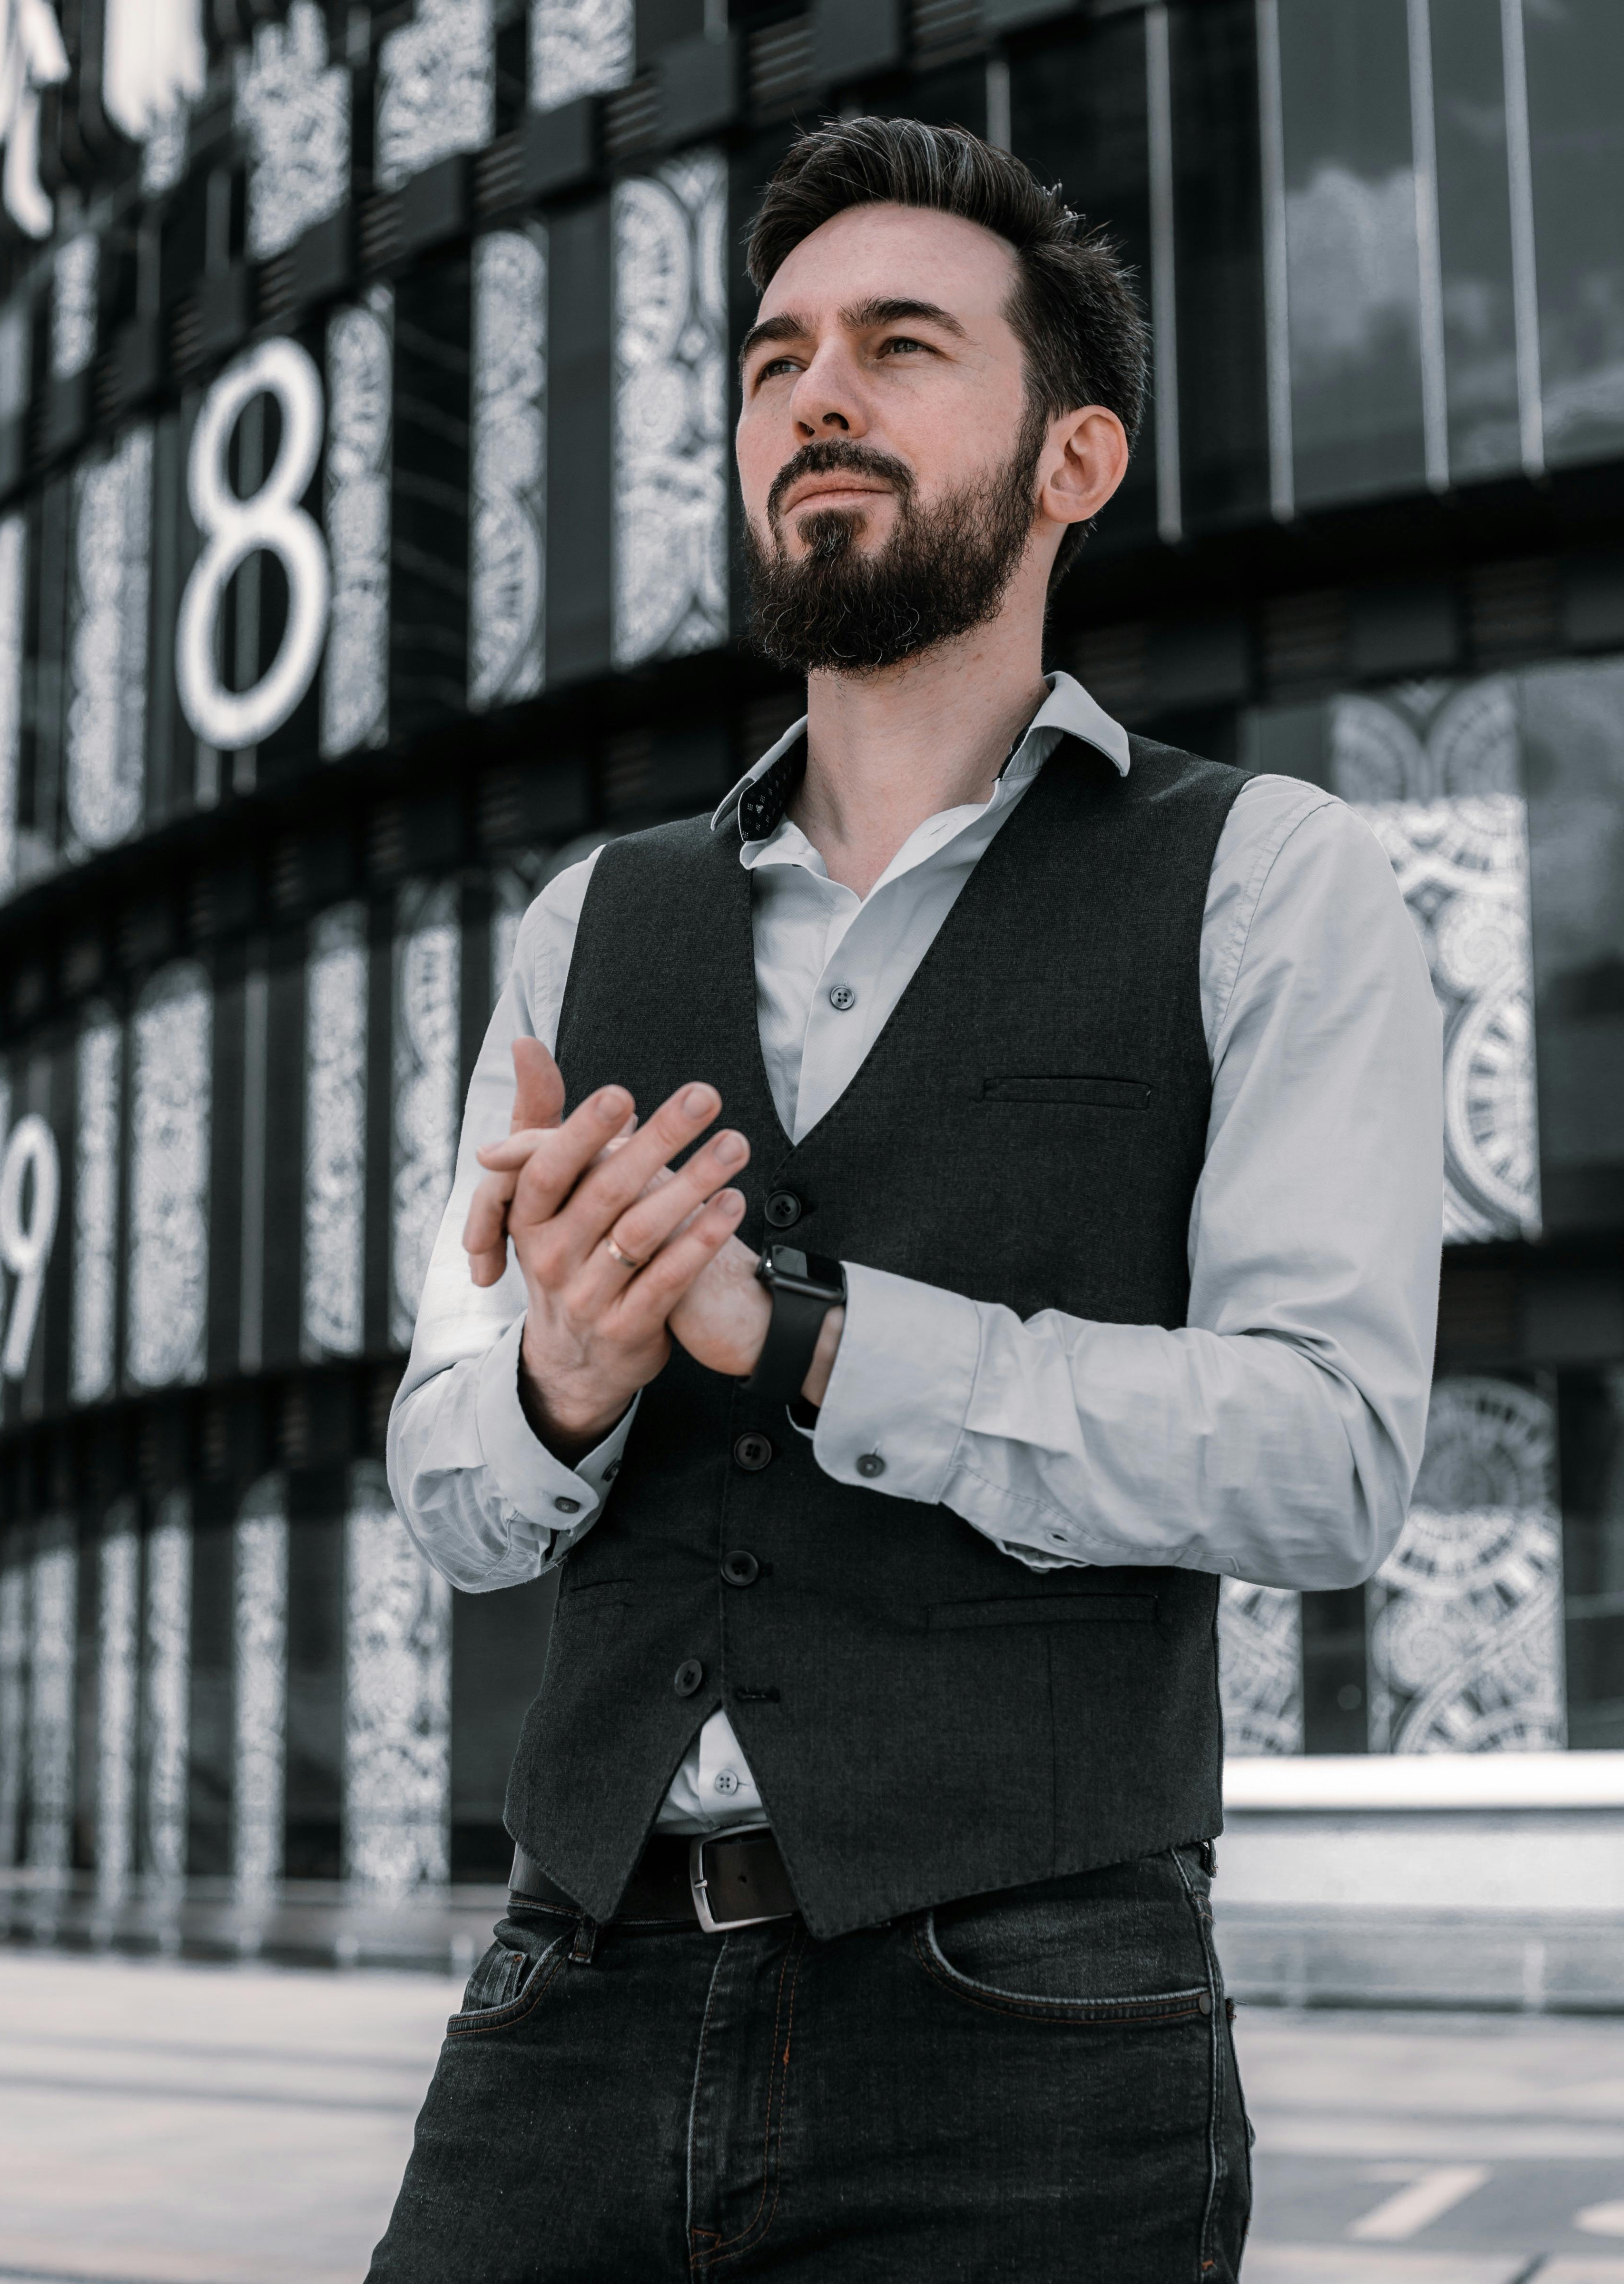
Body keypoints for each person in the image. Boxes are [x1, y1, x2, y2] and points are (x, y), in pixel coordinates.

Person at [368, 115, 1441, 2281]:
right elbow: (449, 1482)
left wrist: (833, 1339)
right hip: (569, 1989)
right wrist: (564, 1383)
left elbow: (1333, 1458)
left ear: (1074, 460)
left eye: (898, 345)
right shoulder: (589, 925)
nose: (815, 395)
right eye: (773, 361)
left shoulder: (1269, 880)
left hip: (1031, 2019)